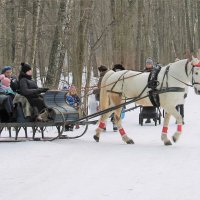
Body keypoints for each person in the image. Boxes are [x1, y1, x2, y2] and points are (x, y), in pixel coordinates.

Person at [143, 57, 157, 123]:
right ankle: (147, 117)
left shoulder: (154, 71)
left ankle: (153, 115)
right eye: (147, 63)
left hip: (152, 89)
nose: (148, 65)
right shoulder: (143, 71)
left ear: (152, 64)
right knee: (145, 101)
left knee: (152, 100)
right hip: (144, 89)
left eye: (149, 63)